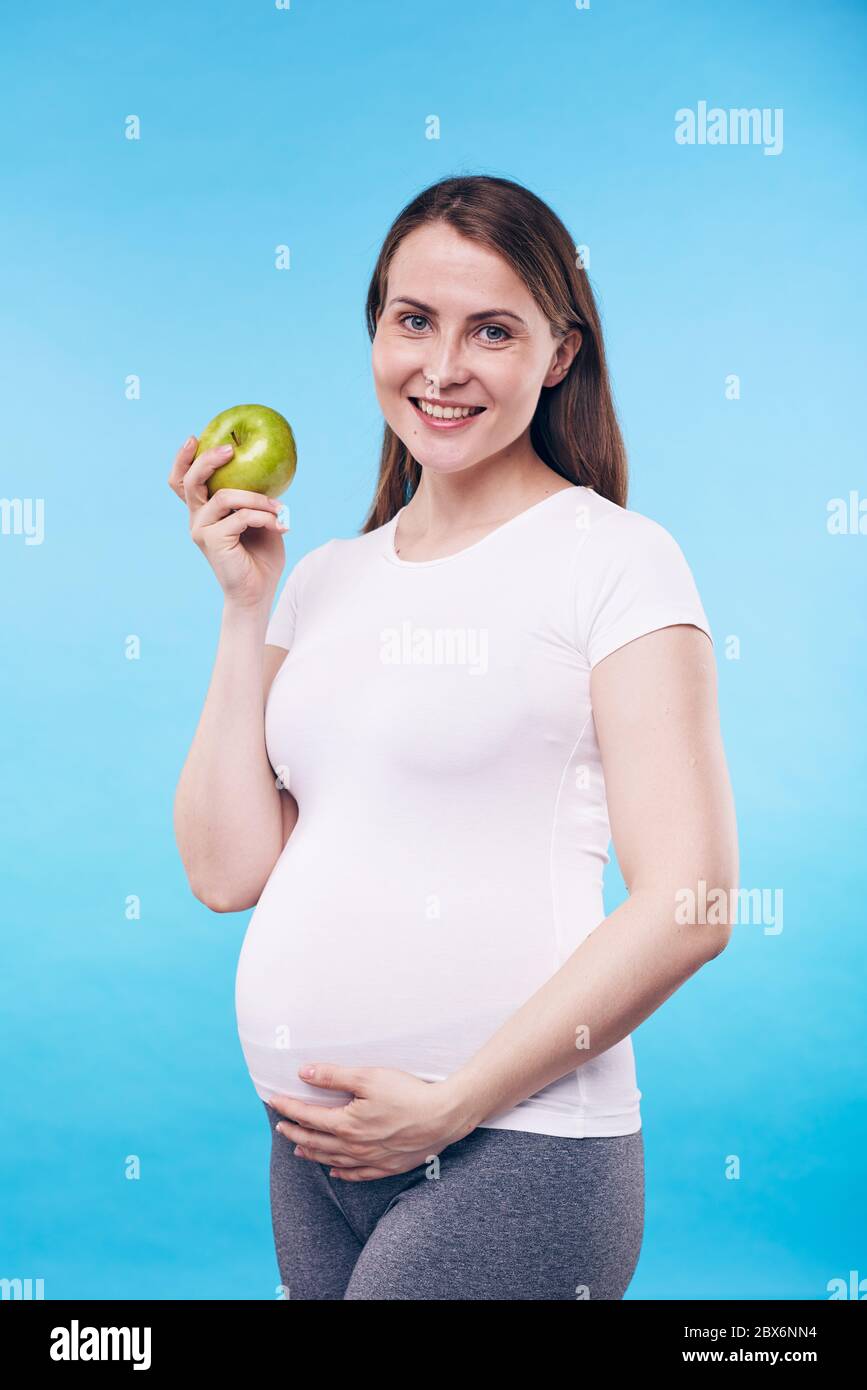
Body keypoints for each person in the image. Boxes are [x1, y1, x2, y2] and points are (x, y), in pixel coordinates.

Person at [170, 174, 738, 1301]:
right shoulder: (324, 577)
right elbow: (228, 870)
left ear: (560, 354)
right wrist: (245, 607)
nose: (441, 368)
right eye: (413, 320)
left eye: (493, 330)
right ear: (376, 330)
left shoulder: (614, 559)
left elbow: (694, 901)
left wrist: (454, 1101)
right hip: (313, 1156)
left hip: (513, 1147)